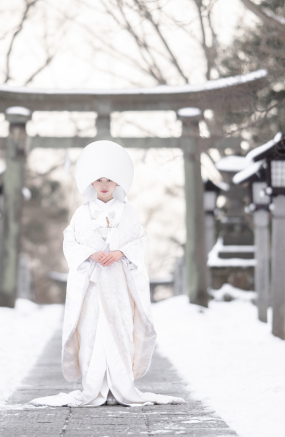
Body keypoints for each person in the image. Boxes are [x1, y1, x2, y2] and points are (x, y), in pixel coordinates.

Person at [30, 140, 185, 407]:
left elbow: (139, 240)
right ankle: (94, 388)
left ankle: (121, 387)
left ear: (117, 184)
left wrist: (120, 253)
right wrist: (90, 254)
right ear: (91, 183)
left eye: (110, 180)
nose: (104, 184)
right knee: (92, 332)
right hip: (92, 286)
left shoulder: (129, 213)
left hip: (118, 284)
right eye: (99, 179)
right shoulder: (81, 214)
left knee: (120, 331)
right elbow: (70, 242)